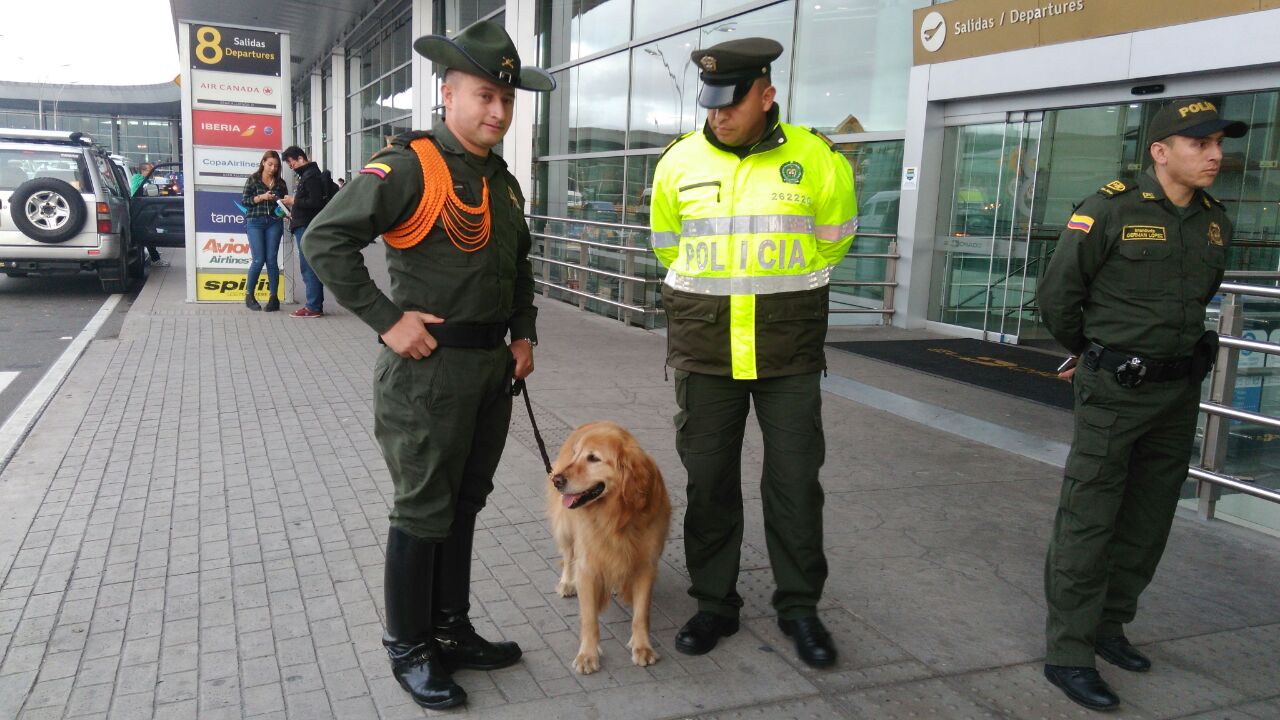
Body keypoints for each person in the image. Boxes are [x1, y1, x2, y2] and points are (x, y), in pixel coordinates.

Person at [301, 21, 550, 710]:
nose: (497, 111)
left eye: (506, 99)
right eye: (484, 95)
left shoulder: (500, 181)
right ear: (448, 93)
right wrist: (387, 320)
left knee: (464, 505)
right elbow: (325, 240)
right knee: (422, 510)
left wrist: (524, 335)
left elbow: (519, 268)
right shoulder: (410, 166)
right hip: (428, 373)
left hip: (491, 370)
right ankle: (408, 646)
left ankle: (450, 628)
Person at [648, 37, 857, 670]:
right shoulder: (677, 162)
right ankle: (714, 601)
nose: (718, 116)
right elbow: (668, 247)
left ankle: (799, 607)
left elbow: (834, 241)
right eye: (710, 104)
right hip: (706, 351)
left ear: (768, 96)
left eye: (732, 103)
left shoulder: (817, 160)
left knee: (795, 484)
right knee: (709, 483)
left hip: (787, 352)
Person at [1037, 99, 1246, 711]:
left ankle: (1109, 626)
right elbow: (1057, 299)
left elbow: (1201, 293)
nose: (1215, 155)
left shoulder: (1213, 219)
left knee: (1149, 518)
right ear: (1160, 151)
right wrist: (1096, 354)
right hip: (1114, 393)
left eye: (1219, 144)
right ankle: (1069, 651)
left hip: (1177, 392)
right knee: (1090, 518)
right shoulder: (1108, 208)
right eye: (1200, 143)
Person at [280, 146, 329, 318]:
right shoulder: (308, 175)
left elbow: (315, 202)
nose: (291, 166)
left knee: (308, 267)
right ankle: (313, 305)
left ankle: (313, 306)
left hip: (307, 226)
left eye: (291, 162)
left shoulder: (310, 176)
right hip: (303, 224)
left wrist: (294, 201)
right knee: (308, 266)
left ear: (300, 158)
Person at [240, 150, 288, 311]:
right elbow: (245, 201)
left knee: (272, 260)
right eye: (270, 164)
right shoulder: (253, 179)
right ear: (263, 163)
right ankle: (249, 295)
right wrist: (261, 197)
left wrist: (281, 207)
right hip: (255, 221)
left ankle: (274, 299)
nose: (273, 168)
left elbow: (284, 204)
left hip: (274, 222)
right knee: (258, 260)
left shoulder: (280, 183)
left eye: (276, 165)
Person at [129, 162, 169, 267]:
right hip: (142, 211)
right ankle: (155, 259)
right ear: (143, 170)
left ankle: (154, 254)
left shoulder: (140, 180)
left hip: (142, 210)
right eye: (150, 170)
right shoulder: (141, 181)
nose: (151, 172)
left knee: (149, 233)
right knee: (149, 234)